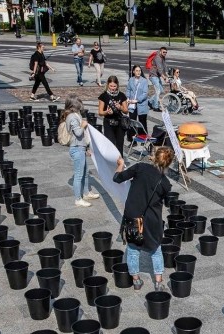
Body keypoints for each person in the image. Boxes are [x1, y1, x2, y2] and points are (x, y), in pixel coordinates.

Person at [113, 147, 175, 291]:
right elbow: (166, 203)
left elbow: (117, 178)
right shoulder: (166, 183)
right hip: (153, 220)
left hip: (133, 216)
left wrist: (121, 164)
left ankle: (136, 281)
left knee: (133, 249)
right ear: (168, 163)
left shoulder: (140, 167)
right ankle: (158, 283)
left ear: (153, 157)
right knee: (156, 250)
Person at [60, 94, 100, 207]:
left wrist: (86, 147)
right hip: (76, 149)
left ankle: (86, 193)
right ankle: (78, 199)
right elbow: (78, 133)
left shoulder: (75, 115)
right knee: (78, 175)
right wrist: (83, 125)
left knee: (85, 172)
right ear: (75, 105)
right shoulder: (72, 117)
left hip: (81, 148)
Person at [98, 75, 129, 157]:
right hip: (108, 122)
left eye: (114, 86)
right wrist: (107, 112)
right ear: (108, 85)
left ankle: (120, 163)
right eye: (111, 86)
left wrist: (120, 107)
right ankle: (110, 162)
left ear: (117, 85)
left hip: (119, 123)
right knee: (110, 143)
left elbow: (126, 111)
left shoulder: (122, 95)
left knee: (119, 145)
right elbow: (100, 112)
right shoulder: (103, 96)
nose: (112, 88)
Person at [126, 65, 150, 142]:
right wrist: (128, 98)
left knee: (142, 121)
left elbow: (145, 93)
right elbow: (128, 89)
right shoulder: (131, 80)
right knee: (132, 121)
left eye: (139, 70)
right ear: (133, 71)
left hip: (141, 104)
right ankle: (132, 138)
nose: (138, 72)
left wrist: (137, 100)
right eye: (136, 70)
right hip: (132, 104)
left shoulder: (144, 81)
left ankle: (143, 138)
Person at [149, 46, 168, 111]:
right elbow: (160, 69)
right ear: (160, 51)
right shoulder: (158, 58)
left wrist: (167, 74)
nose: (165, 53)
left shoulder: (163, 57)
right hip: (153, 76)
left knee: (161, 91)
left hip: (157, 76)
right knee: (158, 91)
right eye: (164, 52)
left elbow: (165, 66)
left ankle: (150, 101)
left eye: (166, 52)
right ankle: (155, 107)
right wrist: (164, 78)